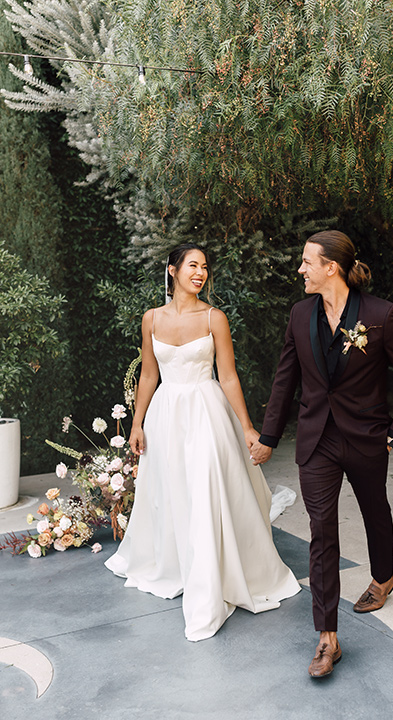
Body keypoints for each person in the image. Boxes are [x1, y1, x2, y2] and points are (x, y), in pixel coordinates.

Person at [250, 231, 393, 677]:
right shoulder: (299, 315)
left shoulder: (380, 315)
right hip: (317, 441)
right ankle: (327, 636)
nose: (300, 269)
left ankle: (384, 577)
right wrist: (269, 437)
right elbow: (285, 381)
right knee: (321, 532)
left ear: (331, 266)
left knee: (374, 510)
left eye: (307, 262)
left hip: (367, 436)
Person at [105, 243, 300, 641]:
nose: (200, 273)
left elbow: (227, 376)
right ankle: (179, 562)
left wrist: (247, 427)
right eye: (192, 265)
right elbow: (147, 375)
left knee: (206, 487)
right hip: (165, 417)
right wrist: (137, 423)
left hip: (207, 413)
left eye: (205, 267)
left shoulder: (215, 318)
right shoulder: (151, 319)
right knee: (174, 489)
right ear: (173, 270)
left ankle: (212, 578)